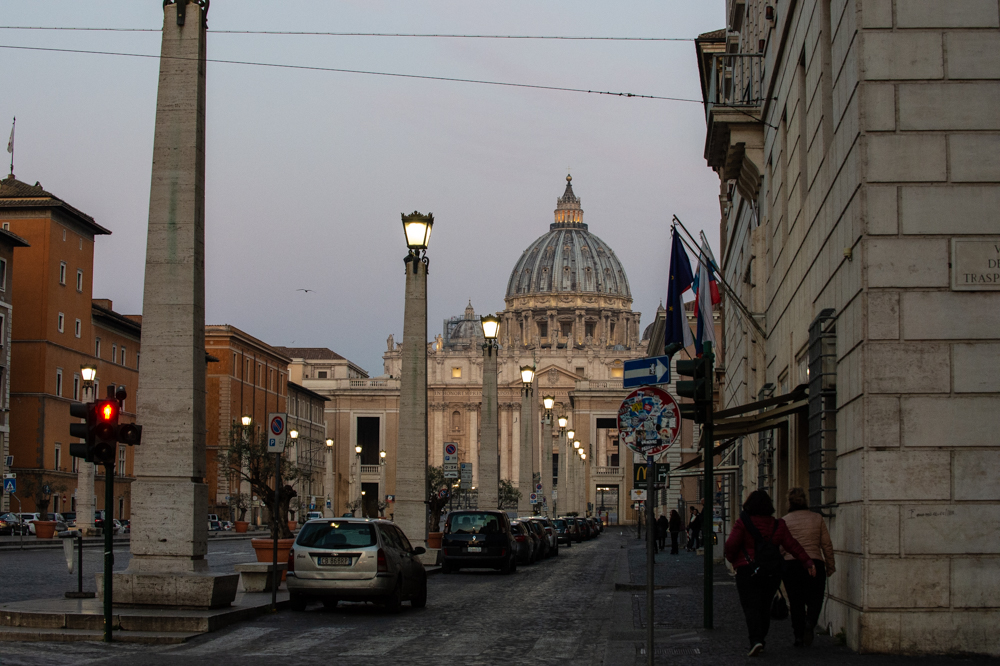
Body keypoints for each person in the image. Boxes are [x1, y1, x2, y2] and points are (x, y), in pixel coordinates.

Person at [725, 490, 815, 658]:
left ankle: (756, 640)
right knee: (764, 606)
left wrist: (733, 560)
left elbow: (731, 545)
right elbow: (792, 545)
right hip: (771, 571)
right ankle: (761, 638)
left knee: (751, 607)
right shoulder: (778, 525)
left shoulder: (743, 522)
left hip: (747, 569)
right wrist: (807, 561)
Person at [781, 488, 836, 647]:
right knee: (816, 598)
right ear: (805, 500)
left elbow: (781, 547)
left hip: (791, 565)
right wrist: (830, 566)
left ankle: (798, 635)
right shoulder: (817, 518)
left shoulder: (784, 521)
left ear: (789, 502)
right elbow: (826, 545)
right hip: (815, 563)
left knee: (795, 601)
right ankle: (810, 622)